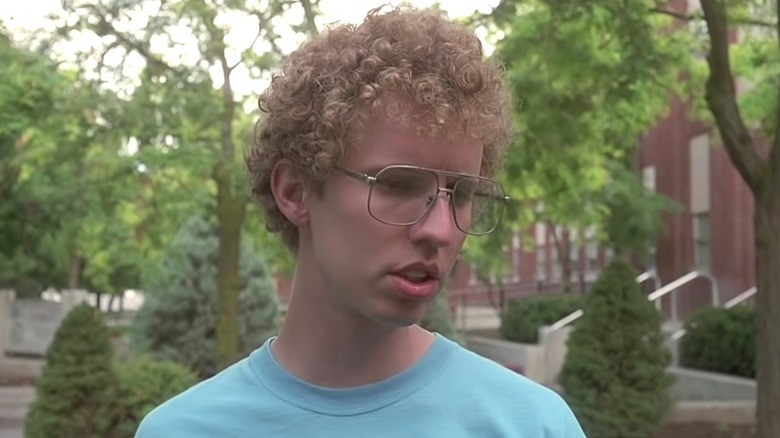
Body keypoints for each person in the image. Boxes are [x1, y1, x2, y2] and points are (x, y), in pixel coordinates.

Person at [135, 4, 586, 437]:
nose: (442, 230)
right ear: (295, 191)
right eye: (399, 185)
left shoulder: (533, 425)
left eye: (463, 194)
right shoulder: (183, 430)